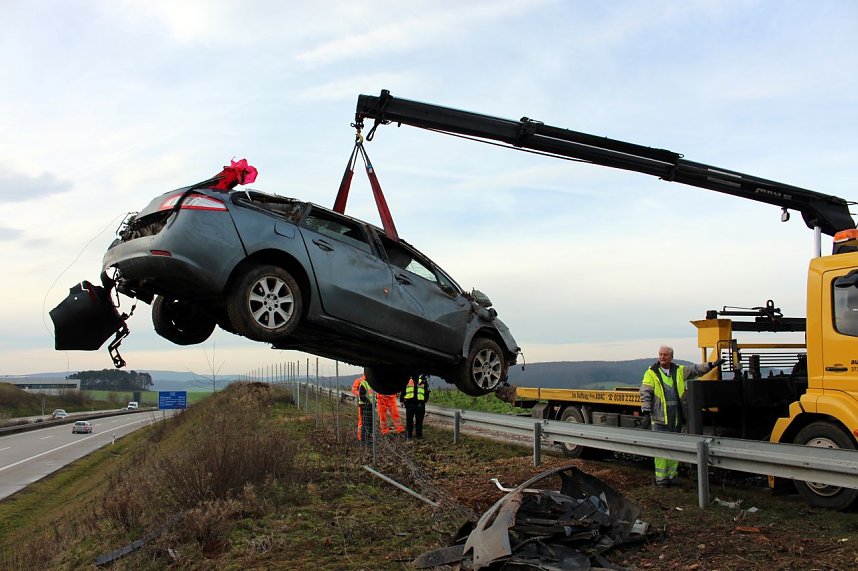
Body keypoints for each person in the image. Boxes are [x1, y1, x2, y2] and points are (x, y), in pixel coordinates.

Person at [640, 346, 723, 487]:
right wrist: (646, 412)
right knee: (661, 449)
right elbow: (646, 393)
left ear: (671, 357)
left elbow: (695, 370)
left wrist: (712, 365)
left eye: (665, 355)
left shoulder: (678, 371)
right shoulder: (651, 373)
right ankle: (661, 479)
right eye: (660, 354)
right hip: (660, 418)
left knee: (675, 448)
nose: (662, 357)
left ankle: (672, 476)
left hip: (676, 418)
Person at [400, 374, 430, 439]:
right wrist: (401, 400)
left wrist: (425, 400)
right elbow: (403, 389)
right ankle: (408, 435)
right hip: (409, 404)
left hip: (420, 404)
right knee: (409, 420)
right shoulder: (407, 378)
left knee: (419, 420)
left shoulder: (423, 380)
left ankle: (419, 435)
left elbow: (427, 391)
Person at [352, 375, 374, 443]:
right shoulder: (362, 382)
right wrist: (368, 402)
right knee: (364, 422)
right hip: (364, 406)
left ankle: (368, 437)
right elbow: (357, 392)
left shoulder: (372, 382)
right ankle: (362, 438)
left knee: (369, 422)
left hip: (370, 406)